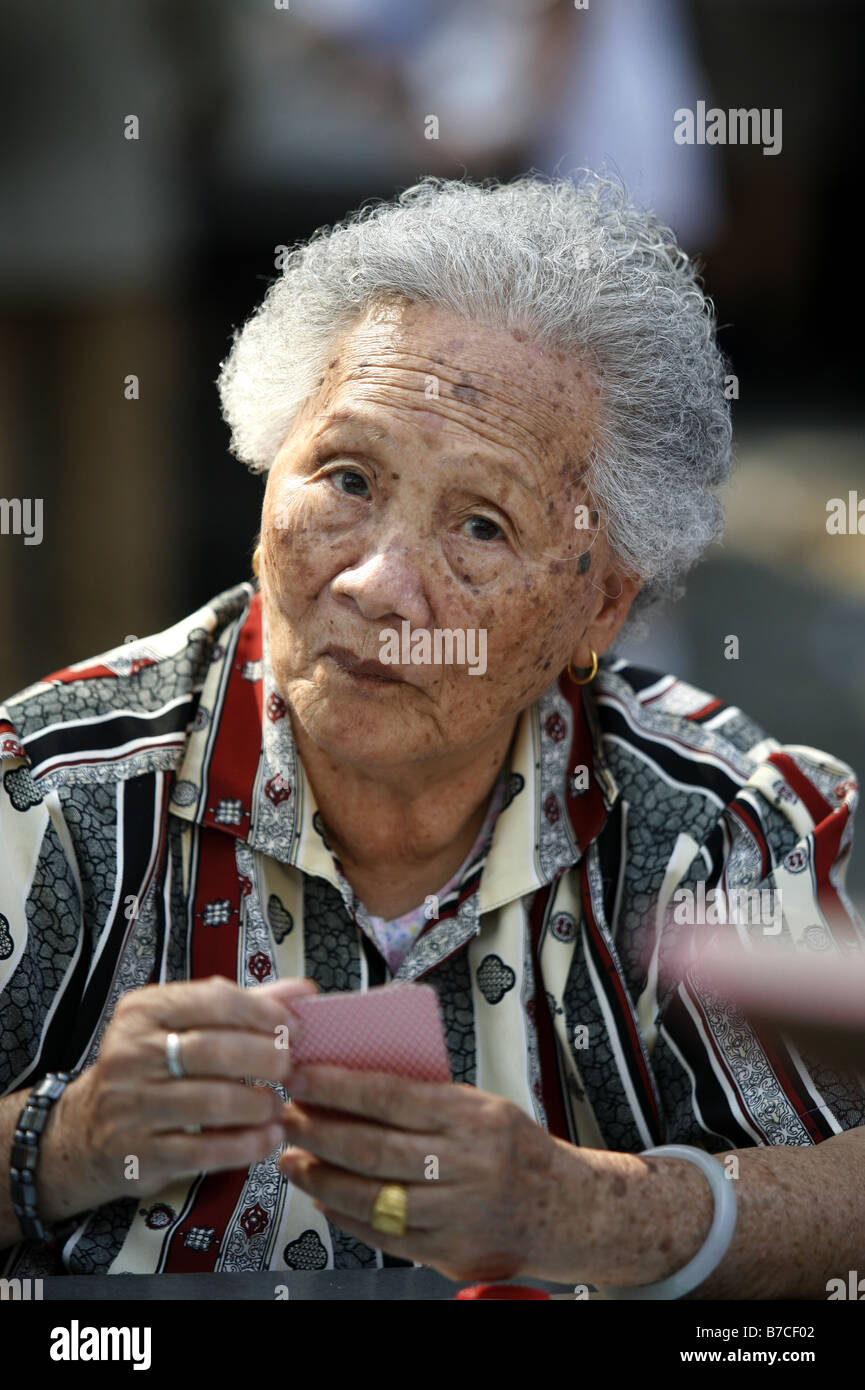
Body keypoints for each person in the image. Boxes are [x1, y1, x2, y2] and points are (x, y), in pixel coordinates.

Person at [1, 173, 863, 1297]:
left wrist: (597, 1209)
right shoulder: (51, 786)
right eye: (345, 478)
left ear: (598, 604)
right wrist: (60, 1141)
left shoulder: (722, 822)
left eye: (479, 524)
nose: (375, 582)